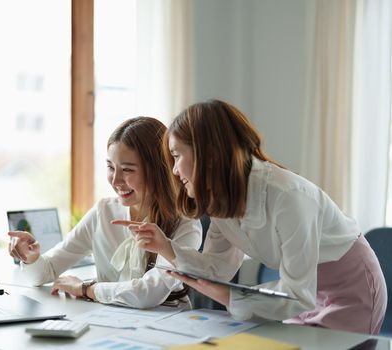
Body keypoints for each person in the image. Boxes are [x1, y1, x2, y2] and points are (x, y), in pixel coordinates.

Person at [113, 100, 387, 334]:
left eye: (176, 156)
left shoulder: (288, 196)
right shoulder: (223, 199)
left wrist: (229, 296)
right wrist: (166, 247)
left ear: (208, 156)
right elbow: (217, 268)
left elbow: (296, 294)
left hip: (350, 288)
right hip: (301, 291)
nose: (173, 170)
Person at [8, 116, 202, 309]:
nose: (115, 180)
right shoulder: (104, 212)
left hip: (169, 330)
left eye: (127, 170)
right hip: (108, 324)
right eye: (110, 167)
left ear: (158, 170)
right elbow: (46, 272)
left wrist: (86, 289)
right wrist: (30, 257)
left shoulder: (186, 224)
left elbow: (147, 294)